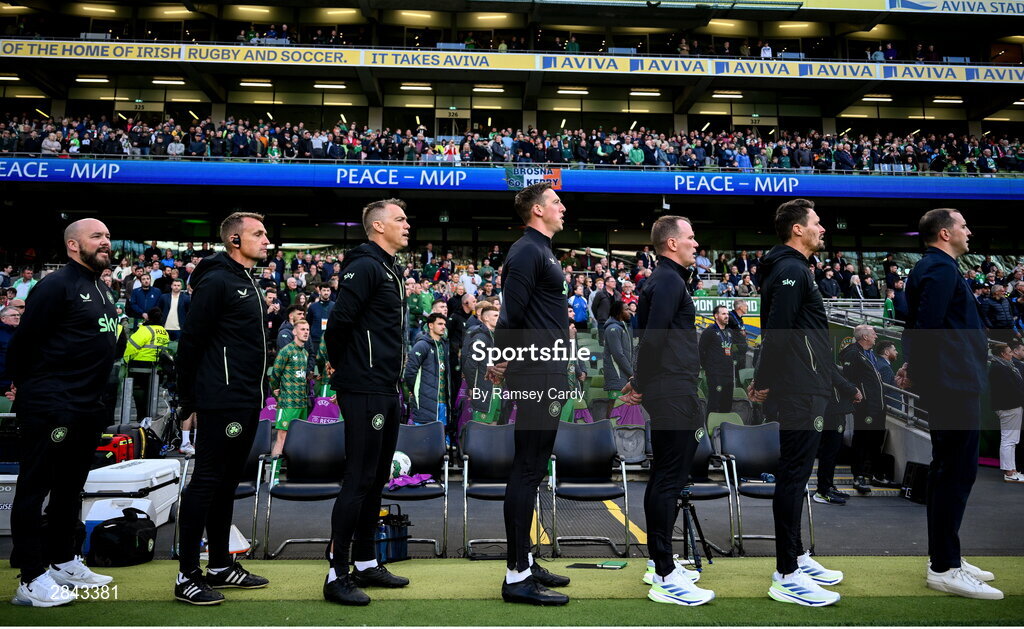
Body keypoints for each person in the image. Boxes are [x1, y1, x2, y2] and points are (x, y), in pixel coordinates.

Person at [8, 218, 119, 607]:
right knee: (35, 488)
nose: (106, 241)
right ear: (74, 246)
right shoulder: (55, 285)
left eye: (107, 236)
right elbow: (24, 343)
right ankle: (30, 578)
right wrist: (26, 387)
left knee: (71, 489)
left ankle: (62, 561)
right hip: (52, 404)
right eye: (97, 236)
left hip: (88, 407)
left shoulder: (103, 288)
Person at [899, 208, 1002, 600]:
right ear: (945, 234)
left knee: (953, 472)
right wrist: (920, 370)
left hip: (952, 383)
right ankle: (944, 566)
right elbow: (927, 328)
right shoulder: (939, 270)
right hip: (952, 385)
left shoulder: (935, 268)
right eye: (963, 225)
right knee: (955, 474)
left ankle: (948, 558)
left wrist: (913, 366)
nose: (969, 231)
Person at [747, 198, 844, 607]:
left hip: (810, 386)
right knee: (792, 478)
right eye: (817, 223)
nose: (823, 229)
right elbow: (779, 333)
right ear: (798, 230)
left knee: (797, 477)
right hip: (799, 390)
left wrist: (836, 380)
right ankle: (786, 572)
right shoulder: (789, 269)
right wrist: (763, 381)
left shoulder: (794, 269)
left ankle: (798, 557)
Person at [174, 212, 272, 605]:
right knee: (207, 481)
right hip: (221, 399)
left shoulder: (245, 279)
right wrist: (188, 401)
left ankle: (220, 564)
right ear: (235, 241)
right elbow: (191, 343)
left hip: (246, 398)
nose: (268, 241)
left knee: (228, 482)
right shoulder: (217, 279)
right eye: (259, 234)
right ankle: (186, 576)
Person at [619, 215, 715, 606]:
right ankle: (663, 573)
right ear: (672, 243)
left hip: (673, 388)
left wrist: (642, 382)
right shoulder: (669, 280)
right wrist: (641, 383)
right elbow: (653, 338)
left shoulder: (667, 280)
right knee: (668, 480)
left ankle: (660, 564)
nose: (696, 243)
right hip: (671, 390)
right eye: (691, 237)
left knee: (667, 477)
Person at [486, 181, 572, 605]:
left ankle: (526, 559)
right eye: (556, 202)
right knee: (526, 468)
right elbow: (513, 312)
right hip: (536, 371)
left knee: (534, 468)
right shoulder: (526, 251)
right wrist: (500, 358)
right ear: (537, 210)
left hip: (548, 368)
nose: (562, 207)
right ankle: (516, 576)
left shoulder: (542, 251)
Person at [323, 199, 412, 605]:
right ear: (378, 227)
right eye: (400, 219)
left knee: (376, 478)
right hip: (363, 387)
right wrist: (346, 368)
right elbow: (340, 322)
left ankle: (364, 562)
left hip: (386, 387)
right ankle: (335, 572)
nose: (407, 224)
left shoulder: (391, 268)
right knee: (359, 478)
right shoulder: (364, 265)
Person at [839, 325, 896, 493]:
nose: (876, 336)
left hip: (878, 406)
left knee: (876, 442)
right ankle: (858, 477)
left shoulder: (869, 354)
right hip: (865, 407)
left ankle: (876, 475)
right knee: (862, 442)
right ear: (864, 336)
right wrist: (857, 396)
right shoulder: (853, 354)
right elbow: (849, 380)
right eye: (873, 333)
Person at [268, 318, 311, 477]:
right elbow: (274, 375)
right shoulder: (286, 351)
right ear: (294, 331)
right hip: (287, 403)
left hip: (301, 403)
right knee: (281, 438)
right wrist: (276, 390)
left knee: (299, 439)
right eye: (302, 329)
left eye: (307, 329)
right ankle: (274, 474)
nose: (306, 332)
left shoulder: (305, 353)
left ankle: (296, 473)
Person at [814, 364, 860, 506]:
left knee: (832, 452)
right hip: (829, 410)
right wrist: (853, 391)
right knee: (829, 452)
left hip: (835, 410)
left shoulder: (823, 351)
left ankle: (828, 486)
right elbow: (834, 377)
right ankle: (822, 491)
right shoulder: (819, 352)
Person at [123, 307, 170, 423]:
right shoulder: (164, 332)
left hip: (139, 366)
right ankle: (148, 419)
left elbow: (131, 346)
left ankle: (141, 418)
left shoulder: (145, 330)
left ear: (148, 317)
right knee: (150, 394)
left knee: (139, 394)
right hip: (156, 367)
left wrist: (126, 360)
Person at [405, 313, 449, 425]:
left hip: (443, 401)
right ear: (430, 325)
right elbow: (410, 372)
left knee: (440, 437)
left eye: (444, 324)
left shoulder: (444, 345)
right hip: (425, 401)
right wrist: (416, 391)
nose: (443, 326)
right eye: (440, 324)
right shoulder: (422, 345)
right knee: (423, 436)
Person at [989, 342, 1024, 483]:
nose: (1011, 354)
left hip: (1010, 406)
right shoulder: (1000, 368)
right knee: (1009, 440)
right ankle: (1009, 472)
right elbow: (1011, 390)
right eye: (1009, 352)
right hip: (1009, 407)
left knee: (1011, 440)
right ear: (1003, 354)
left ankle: (1012, 470)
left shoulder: (1002, 366)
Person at [462, 303, 502, 423]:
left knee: (494, 426)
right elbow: (470, 366)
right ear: (485, 318)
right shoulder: (480, 337)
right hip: (484, 389)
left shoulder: (496, 337)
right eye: (495, 315)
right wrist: (473, 387)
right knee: (481, 428)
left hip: (496, 389)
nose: (499, 318)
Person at [700, 305, 734, 414]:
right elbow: (701, 351)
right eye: (723, 314)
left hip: (728, 374)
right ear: (716, 316)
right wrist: (708, 368)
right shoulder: (709, 331)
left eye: (727, 314)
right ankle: (710, 429)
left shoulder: (729, 332)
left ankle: (725, 430)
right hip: (715, 374)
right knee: (714, 405)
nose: (727, 316)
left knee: (727, 405)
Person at [728, 299, 751, 380]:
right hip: (735, 352)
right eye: (746, 306)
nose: (747, 308)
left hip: (741, 352)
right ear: (740, 307)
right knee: (735, 376)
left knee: (741, 376)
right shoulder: (730, 318)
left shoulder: (740, 319)